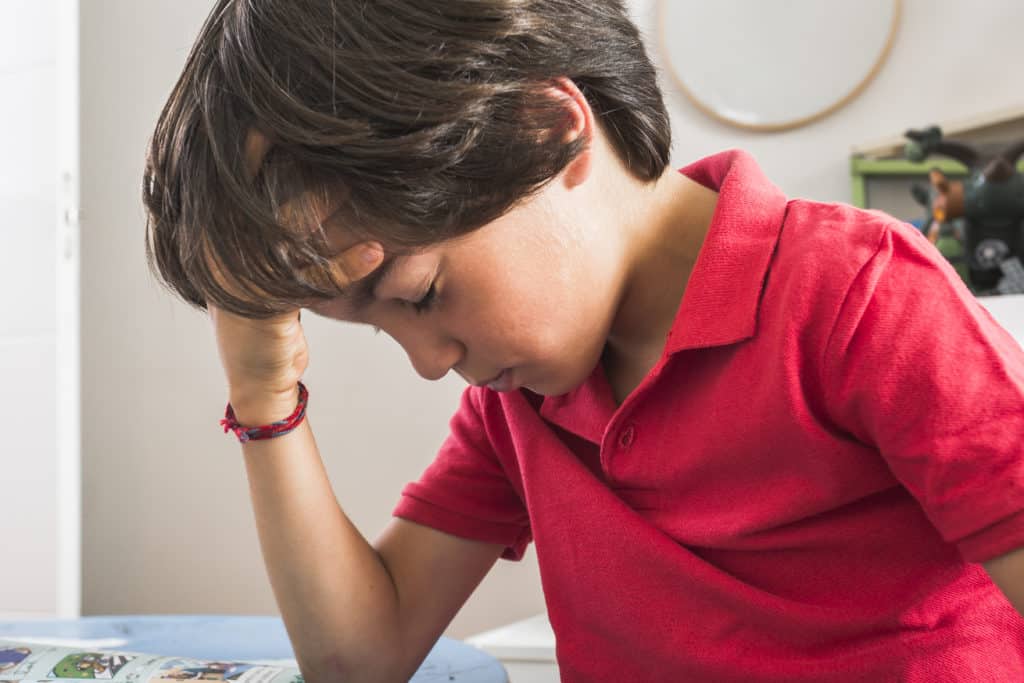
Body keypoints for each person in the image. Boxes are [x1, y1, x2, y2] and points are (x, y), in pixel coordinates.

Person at [141, 1, 1024, 681]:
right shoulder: (518, 399)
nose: (429, 362)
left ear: (546, 128)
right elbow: (359, 657)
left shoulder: (860, 297)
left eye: (420, 294)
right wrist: (264, 396)